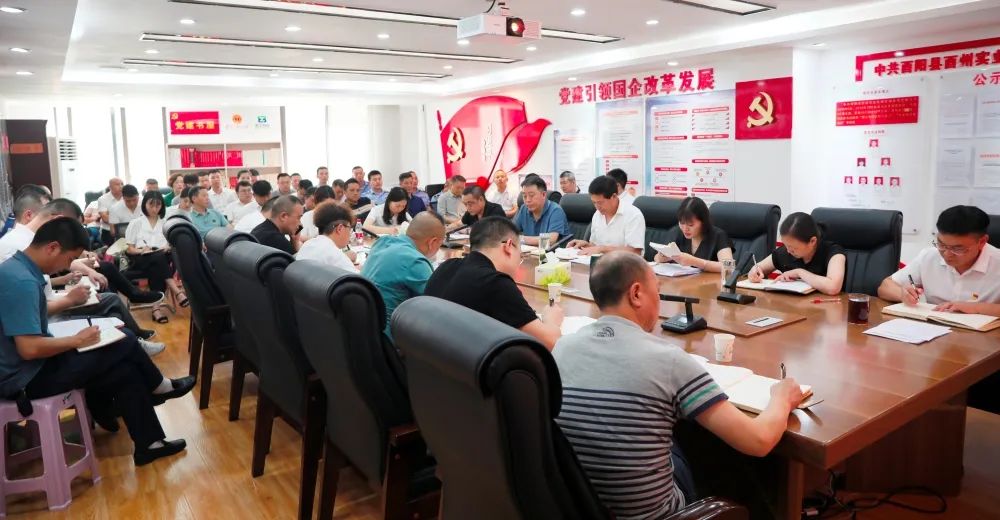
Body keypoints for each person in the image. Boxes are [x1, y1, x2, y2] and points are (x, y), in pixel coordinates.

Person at [553, 252, 804, 518]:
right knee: (721, 451)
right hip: (660, 515)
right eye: (657, 290)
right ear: (636, 294)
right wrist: (782, 398)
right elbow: (759, 441)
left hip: (580, 507)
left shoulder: (562, 348)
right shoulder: (667, 360)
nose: (659, 300)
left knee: (682, 431)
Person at [0, 217, 195, 466]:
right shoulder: (22, 281)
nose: (68, 266)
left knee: (124, 366)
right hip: (25, 381)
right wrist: (76, 340)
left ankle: (149, 444)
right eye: (70, 259)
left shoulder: (18, 269)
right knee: (124, 340)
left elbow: (30, 323)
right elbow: (29, 349)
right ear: (52, 248)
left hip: (31, 370)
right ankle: (158, 387)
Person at [426, 217, 564, 350]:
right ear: (508, 246)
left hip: (432, 358)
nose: (518, 262)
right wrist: (551, 320)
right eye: (520, 255)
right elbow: (552, 342)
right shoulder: (495, 283)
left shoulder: (445, 267)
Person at [879, 206, 999, 315]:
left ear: (982, 242)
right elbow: (885, 286)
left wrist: (977, 308)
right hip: (933, 327)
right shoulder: (929, 256)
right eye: (941, 244)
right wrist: (902, 294)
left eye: (957, 249)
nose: (947, 254)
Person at [361, 212, 445, 337]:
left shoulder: (382, 242)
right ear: (432, 242)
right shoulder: (415, 261)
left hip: (363, 328)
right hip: (389, 338)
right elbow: (437, 306)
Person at [748, 212, 846, 295]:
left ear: (812, 241)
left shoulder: (833, 252)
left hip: (825, 307)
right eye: (786, 245)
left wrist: (799, 272)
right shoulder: (785, 252)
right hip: (791, 306)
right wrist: (754, 272)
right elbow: (759, 267)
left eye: (793, 248)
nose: (788, 251)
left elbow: (833, 287)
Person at [124, 191, 185, 324]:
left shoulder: (165, 223)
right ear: (144, 205)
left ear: (162, 206)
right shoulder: (136, 223)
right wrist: (142, 250)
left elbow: (170, 244)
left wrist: (168, 247)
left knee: (158, 260)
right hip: (141, 259)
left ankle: (156, 309)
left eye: (158, 206)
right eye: (151, 205)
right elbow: (130, 249)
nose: (154, 209)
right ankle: (175, 291)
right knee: (158, 260)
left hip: (162, 258)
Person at [567, 176, 646, 256]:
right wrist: (586, 245)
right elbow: (595, 246)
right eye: (594, 202)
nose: (597, 207)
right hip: (600, 261)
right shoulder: (597, 215)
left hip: (624, 263)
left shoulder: (633, 215)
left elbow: (635, 252)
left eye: (600, 202)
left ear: (614, 196)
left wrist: (602, 249)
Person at [653, 196, 734, 273]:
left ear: (703, 222)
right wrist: (663, 258)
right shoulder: (676, 231)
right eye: (682, 223)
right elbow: (656, 258)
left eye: (690, 225)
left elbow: (729, 267)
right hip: (682, 281)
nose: (685, 229)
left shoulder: (718, 236)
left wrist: (694, 261)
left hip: (709, 281)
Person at [295, 201, 357, 272]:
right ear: (340, 228)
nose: (350, 233)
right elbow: (357, 278)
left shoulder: (307, 245)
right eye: (349, 228)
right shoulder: (335, 256)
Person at [513, 176, 570, 247]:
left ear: (543, 195)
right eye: (524, 196)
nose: (527, 200)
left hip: (553, 253)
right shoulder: (524, 209)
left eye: (531, 195)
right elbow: (511, 231)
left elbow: (550, 240)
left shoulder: (556, 210)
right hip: (531, 252)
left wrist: (520, 239)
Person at [97, 178, 124, 245]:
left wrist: (111, 215)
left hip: (126, 229)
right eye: (117, 184)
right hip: (108, 231)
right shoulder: (103, 199)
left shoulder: (127, 197)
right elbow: (105, 218)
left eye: (122, 184)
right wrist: (124, 217)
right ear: (110, 187)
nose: (121, 186)